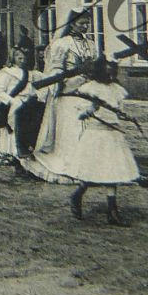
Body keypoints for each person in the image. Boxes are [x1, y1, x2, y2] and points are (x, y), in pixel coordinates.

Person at [22, 10, 97, 183]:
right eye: (81, 24)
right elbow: (55, 69)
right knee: (72, 131)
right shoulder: (62, 44)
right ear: (72, 24)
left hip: (87, 93)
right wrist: (65, 79)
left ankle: (89, 167)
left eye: (87, 23)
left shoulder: (91, 44)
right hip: (68, 94)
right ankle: (71, 167)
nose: (85, 27)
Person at [66, 58, 140, 225]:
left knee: (113, 171)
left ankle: (112, 211)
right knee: (91, 171)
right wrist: (91, 108)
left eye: (113, 72)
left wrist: (125, 116)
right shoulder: (89, 89)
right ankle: (77, 195)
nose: (111, 75)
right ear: (99, 71)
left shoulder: (117, 90)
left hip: (112, 134)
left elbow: (119, 111)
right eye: (107, 71)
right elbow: (79, 114)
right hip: (95, 134)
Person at [0, 46, 41, 157]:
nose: (22, 59)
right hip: (15, 102)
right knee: (14, 126)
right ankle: (12, 151)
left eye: (24, 57)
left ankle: (26, 149)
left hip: (29, 102)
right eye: (19, 57)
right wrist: (12, 101)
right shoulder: (6, 72)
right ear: (12, 57)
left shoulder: (31, 73)